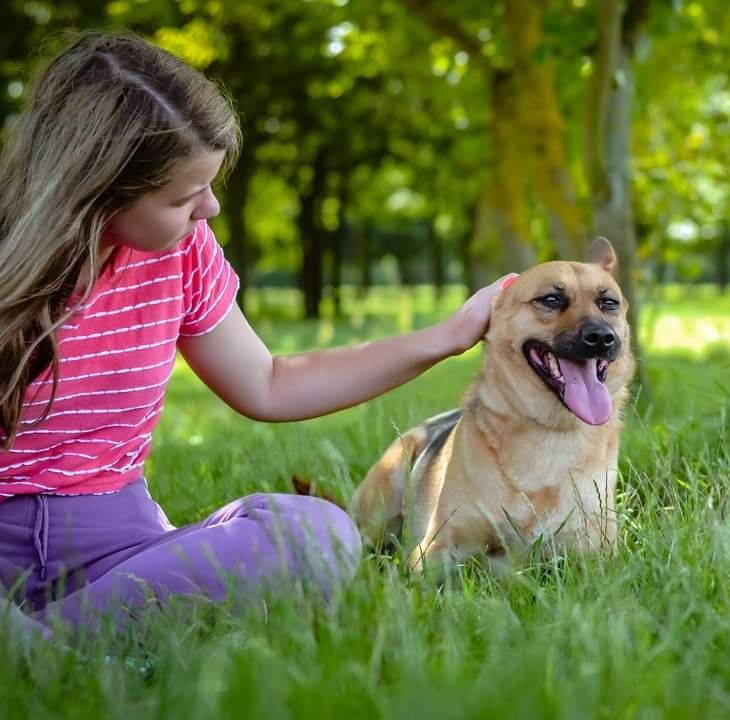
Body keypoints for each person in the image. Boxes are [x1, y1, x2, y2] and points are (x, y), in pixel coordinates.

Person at [0, 31, 515, 642]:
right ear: (95, 189)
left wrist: (449, 335)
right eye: (185, 196)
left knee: (314, 534)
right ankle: (72, 649)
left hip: (121, 550)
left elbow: (269, 384)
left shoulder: (180, 254)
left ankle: (47, 649)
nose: (210, 210)